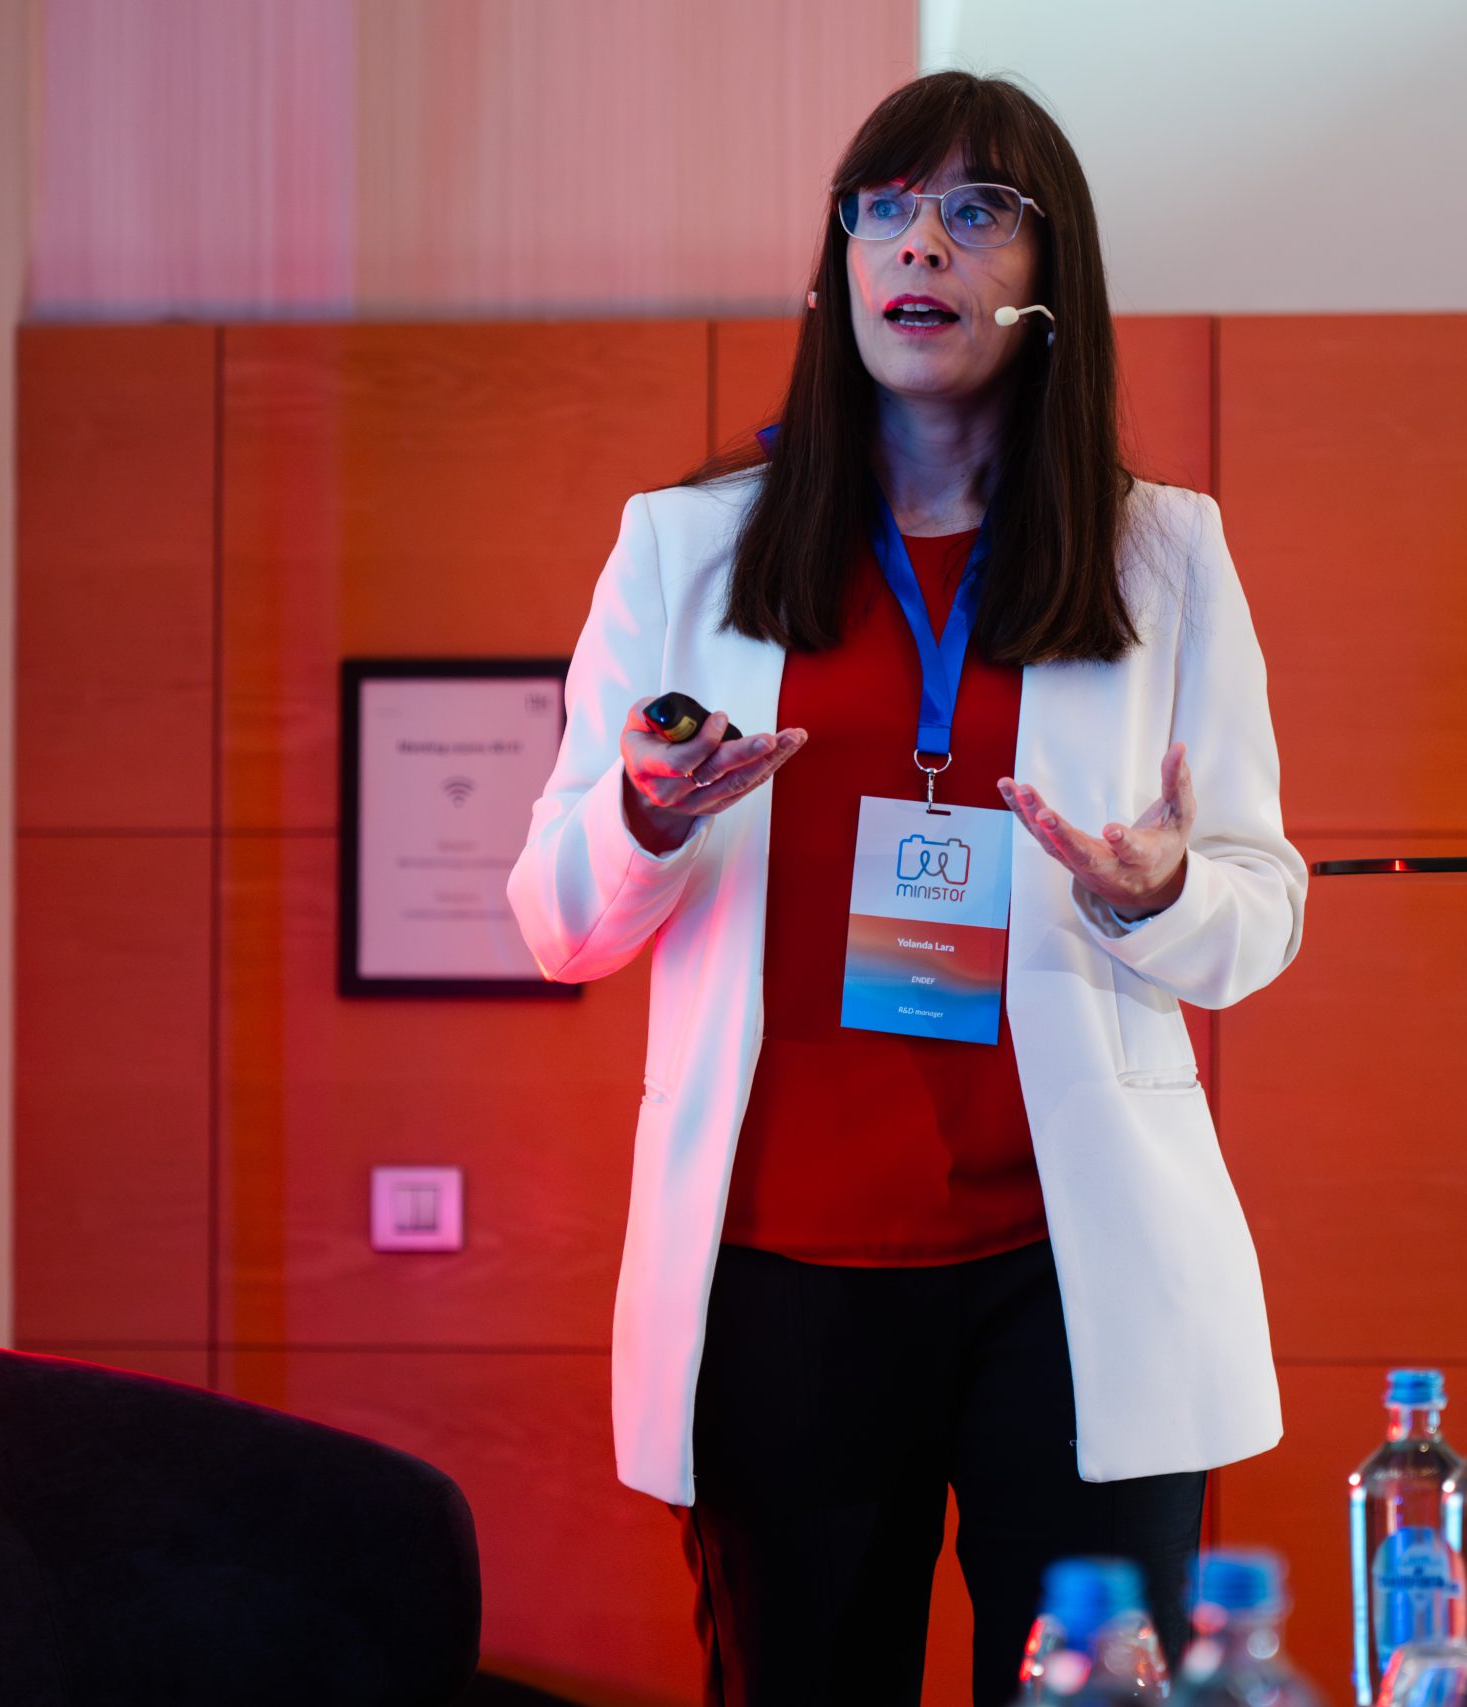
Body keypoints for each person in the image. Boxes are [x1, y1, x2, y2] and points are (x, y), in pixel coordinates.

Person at [505, 70, 1307, 1707]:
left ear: (1050, 277)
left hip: (1069, 1274)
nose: (920, 244)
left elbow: (1261, 910)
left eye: (976, 209)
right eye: (884, 209)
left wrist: (1160, 892)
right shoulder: (684, 550)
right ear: (840, 272)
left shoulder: (1165, 557)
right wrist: (646, 817)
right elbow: (556, 924)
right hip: (780, 1274)